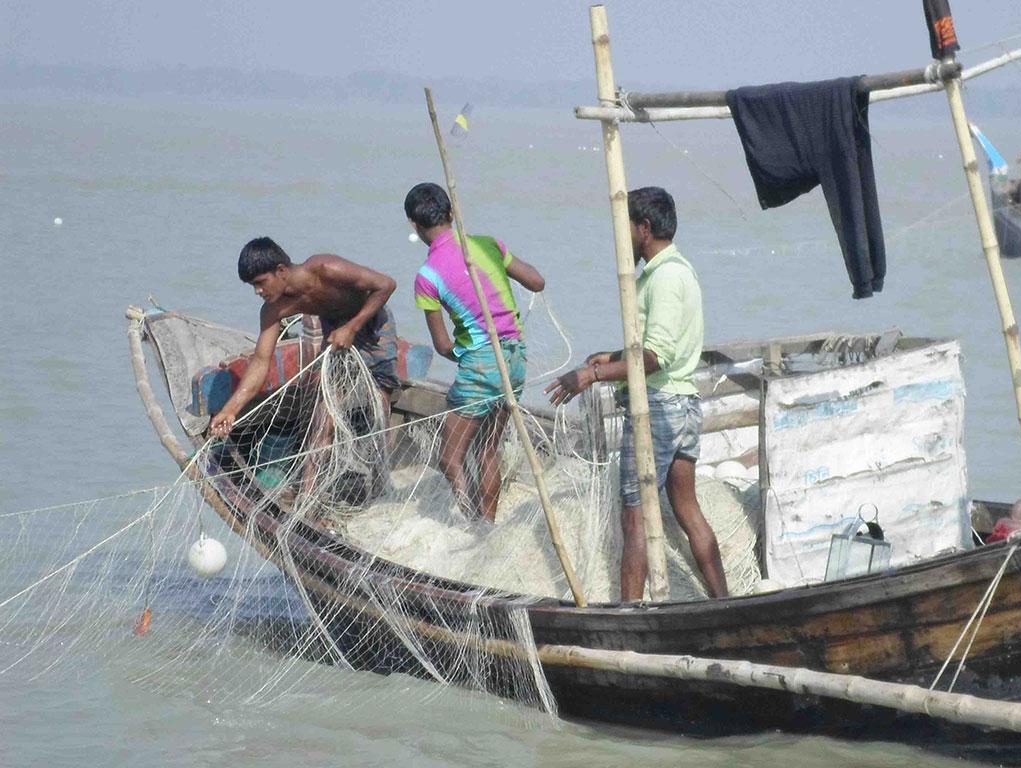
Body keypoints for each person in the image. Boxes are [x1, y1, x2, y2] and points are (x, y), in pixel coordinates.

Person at [544, 186, 729, 602]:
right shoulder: (676, 269)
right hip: (684, 404)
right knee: (687, 509)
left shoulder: (665, 277)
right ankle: (723, 601)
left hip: (660, 408)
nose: (620, 237)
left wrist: (591, 376)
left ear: (644, 228)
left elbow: (654, 357)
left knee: (635, 516)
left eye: (624, 227)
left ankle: (628, 615)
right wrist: (607, 357)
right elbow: (656, 345)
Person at [406, 182, 545, 522]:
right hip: (514, 357)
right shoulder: (487, 245)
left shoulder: (427, 276)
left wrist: (464, 356)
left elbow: (442, 346)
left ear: (414, 224)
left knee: (450, 457)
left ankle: (473, 525)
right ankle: (490, 522)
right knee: (487, 450)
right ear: (452, 214)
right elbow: (537, 281)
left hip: (481, 363)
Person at [209, 237, 398, 438]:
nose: (258, 291)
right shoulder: (273, 310)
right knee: (324, 412)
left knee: (380, 398)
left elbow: (386, 285)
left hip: (371, 318)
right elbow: (260, 361)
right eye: (252, 286)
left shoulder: (325, 268)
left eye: (261, 283)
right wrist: (230, 409)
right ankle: (313, 469)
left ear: (281, 271)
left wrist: (352, 327)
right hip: (334, 328)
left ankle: (381, 462)